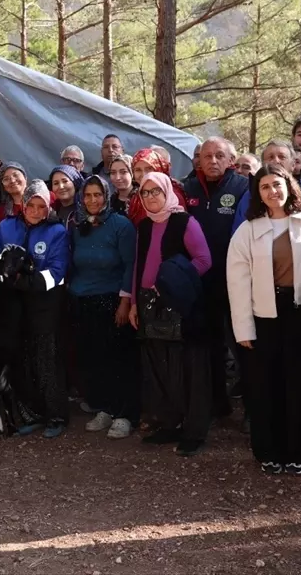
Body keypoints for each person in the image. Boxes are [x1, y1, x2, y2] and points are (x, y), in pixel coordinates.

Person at [228, 164, 301, 476]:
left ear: (289, 186)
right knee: (264, 386)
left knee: (300, 385)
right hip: (263, 317)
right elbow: (238, 283)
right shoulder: (247, 231)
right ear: (258, 193)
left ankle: (299, 451)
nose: (273, 191)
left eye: (277, 184)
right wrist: (243, 328)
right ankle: (268, 451)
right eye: (265, 186)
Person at [132, 172, 213, 455]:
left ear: (167, 192)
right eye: (145, 192)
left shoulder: (184, 222)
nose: (151, 197)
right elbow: (139, 265)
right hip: (149, 305)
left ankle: (194, 432)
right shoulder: (143, 226)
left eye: (156, 191)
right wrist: (134, 302)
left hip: (181, 306)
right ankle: (169, 424)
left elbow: (203, 260)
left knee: (188, 369)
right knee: (160, 368)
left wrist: (173, 282)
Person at [0, 180, 71, 438]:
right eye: (31, 205)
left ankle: (56, 416)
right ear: (23, 204)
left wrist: (25, 280)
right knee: (21, 360)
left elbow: (57, 272)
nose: (35, 211)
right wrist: (4, 268)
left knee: (46, 360)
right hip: (13, 305)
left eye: (41, 206)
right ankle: (32, 414)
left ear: (49, 207)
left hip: (44, 304)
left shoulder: (57, 232)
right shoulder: (7, 226)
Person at [182, 137, 249, 419]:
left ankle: (251, 410)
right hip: (201, 281)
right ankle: (216, 404)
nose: (212, 161)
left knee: (243, 344)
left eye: (219, 155)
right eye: (206, 155)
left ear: (231, 160)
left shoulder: (243, 187)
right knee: (208, 344)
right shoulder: (188, 188)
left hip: (235, 280)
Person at [67, 176, 137, 440]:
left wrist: (125, 302)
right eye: (88, 195)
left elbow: (130, 265)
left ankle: (124, 414)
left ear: (106, 196)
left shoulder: (121, 225)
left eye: (98, 195)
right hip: (83, 301)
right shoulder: (79, 226)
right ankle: (105, 408)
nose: (93, 200)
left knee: (117, 359)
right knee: (94, 359)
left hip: (112, 301)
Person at [232, 141, 301, 232]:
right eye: (270, 157)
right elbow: (240, 236)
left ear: (293, 164)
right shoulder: (251, 197)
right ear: (263, 165)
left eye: (282, 157)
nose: (276, 161)